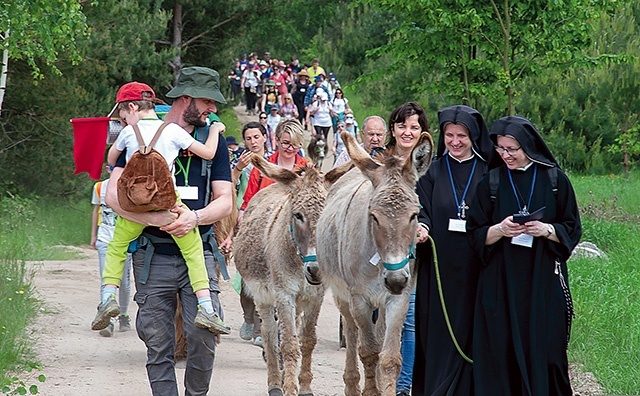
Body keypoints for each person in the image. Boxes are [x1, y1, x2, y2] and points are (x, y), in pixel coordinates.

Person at [105, 67, 234, 396]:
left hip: (198, 251)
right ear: (187, 99)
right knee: (157, 342)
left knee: (203, 336)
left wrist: (195, 218)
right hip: (153, 255)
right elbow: (111, 196)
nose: (212, 110)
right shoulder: (141, 133)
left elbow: (225, 202)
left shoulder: (212, 141)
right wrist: (153, 220)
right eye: (207, 101)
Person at [91, 81, 230, 337]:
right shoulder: (172, 131)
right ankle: (207, 308)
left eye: (122, 115)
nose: (123, 120)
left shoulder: (128, 132)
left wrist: (123, 148)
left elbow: (111, 160)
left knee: (117, 247)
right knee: (194, 252)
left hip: (135, 201)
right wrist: (215, 130)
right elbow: (209, 153)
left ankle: (108, 297)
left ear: (131, 107)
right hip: (168, 201)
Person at [466, 115, 582, 395]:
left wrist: (545, 229)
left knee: (549, 352)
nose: (505, 155)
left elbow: (572, 228)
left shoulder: (554, 179)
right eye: (500, 149)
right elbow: (475, 233)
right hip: (500, 282)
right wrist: (500, 229)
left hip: (542, 280)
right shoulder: (490, 182)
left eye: (512, 150)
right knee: (500, 351)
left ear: (528, 147)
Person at [412, 105, 494, 396]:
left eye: (462, 135)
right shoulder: (432, 171)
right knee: (437, 331)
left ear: (473, 136)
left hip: (477, 267)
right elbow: (422, 210)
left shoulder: (488, 171)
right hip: (439, 268)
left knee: (473, 329)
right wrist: (422, 227)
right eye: (449, 135)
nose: (455, 141)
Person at [385, 102, 430, 395]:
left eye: (414, 126)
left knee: (408, 321)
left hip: (413, 256)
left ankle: (403, 386)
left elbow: (434, 205)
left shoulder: (428, 167)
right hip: (380, 255)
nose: (407, 132)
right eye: (402, 126)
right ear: (393, 129)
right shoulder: (380, 163)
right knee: (378, 321)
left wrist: (425, 227)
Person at [222, 121, 273, 345]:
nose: (253, 142)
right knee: (245, 277)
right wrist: (237, 170)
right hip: (243, 222)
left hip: (269, 223)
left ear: (264, 137)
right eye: (249, 138)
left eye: (256, 137)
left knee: (268, 275)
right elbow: (228, 188)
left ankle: (263, 326)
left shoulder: (273, 163)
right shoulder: (239, 163)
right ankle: (248, 318)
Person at [90, 176, 131, 337]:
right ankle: (108, 320)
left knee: (124, 282)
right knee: (106, 279)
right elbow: (96, 210)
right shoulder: (100, 187)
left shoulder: (130, 185)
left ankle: (124, 314)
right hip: (105, 238)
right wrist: (94, 235)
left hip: (124, 240)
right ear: (108, 168)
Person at [240, 119, 309, 213]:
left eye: (295, 144)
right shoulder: (262, 169)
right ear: (277, 140)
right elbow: (247, 204)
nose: (290, 148)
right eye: (286, 143)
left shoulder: (308, 170)